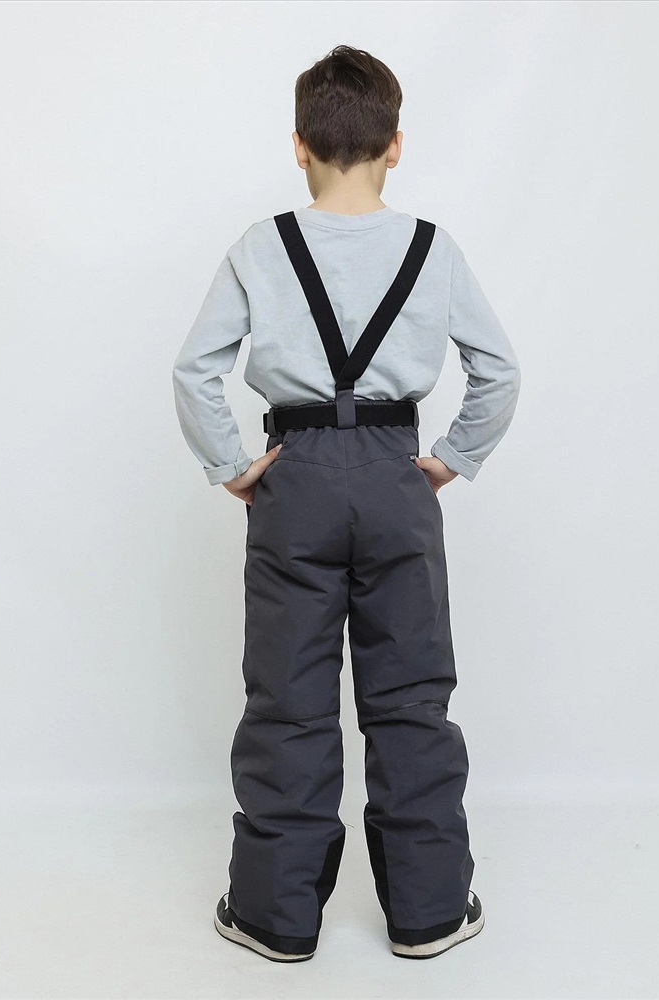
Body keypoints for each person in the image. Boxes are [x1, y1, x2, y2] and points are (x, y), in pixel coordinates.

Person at [172, 44, 521, 964]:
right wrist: (448, 462)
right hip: (397, 476)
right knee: (411, 697)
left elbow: (194, 369)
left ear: (299, 146)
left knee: (288, 699)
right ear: (396, 145)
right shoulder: (432, 249)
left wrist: (232, 466)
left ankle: (273, 917)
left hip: (295, 480)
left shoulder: (261, 246)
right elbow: (499, 371)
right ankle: (430, 912)